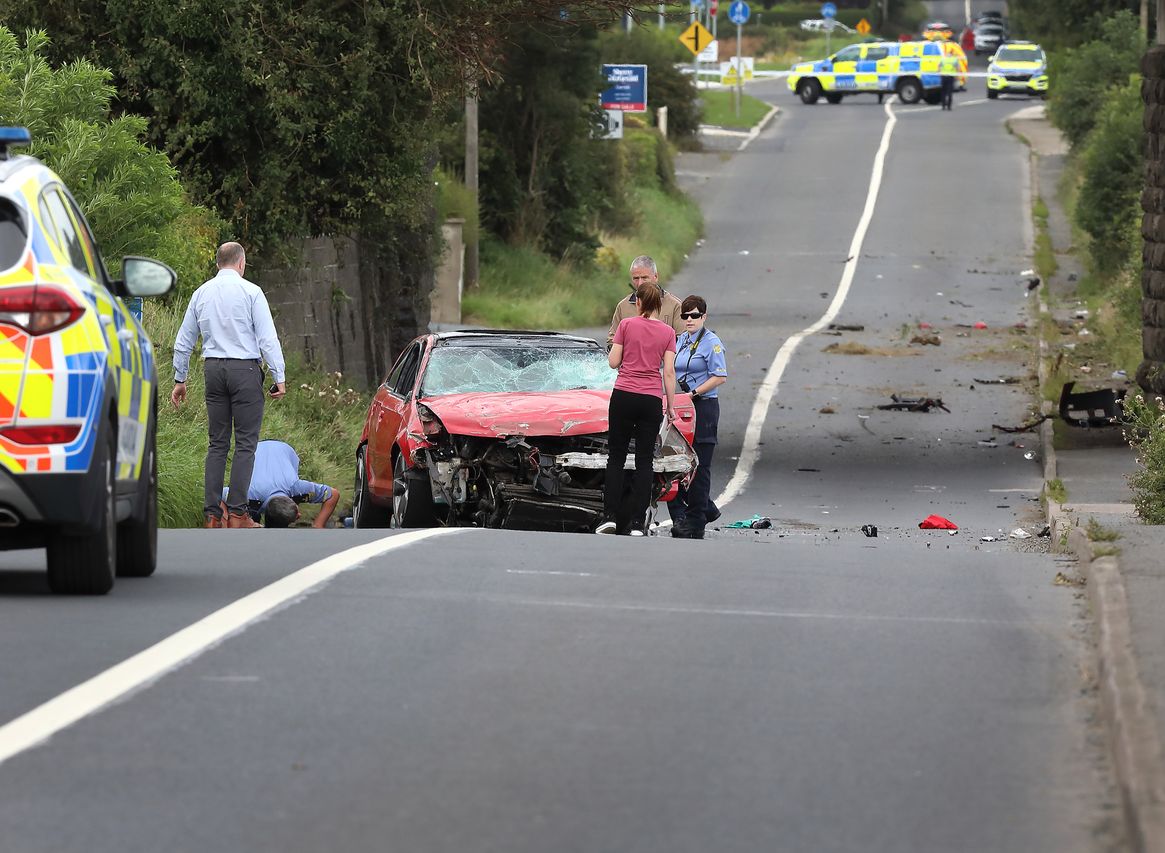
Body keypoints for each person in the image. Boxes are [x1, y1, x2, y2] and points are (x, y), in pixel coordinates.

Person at [172, 242, 287, 530]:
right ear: (241, 263)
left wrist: (180, 379)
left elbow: (183, 341)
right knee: (245, 443)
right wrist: (278, 375)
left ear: (217, 264)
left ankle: (212, 514)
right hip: (245, 370)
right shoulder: (251, 292)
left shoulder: (201, 293)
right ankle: (237, 514)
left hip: (213, 370)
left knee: (217, 443)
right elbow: (267, 339)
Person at [598, 282, 678, 536]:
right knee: (645, 461)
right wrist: (671, 407)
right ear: (659, 305)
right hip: (650, 400)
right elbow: (668, 372)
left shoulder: (626, 325)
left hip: (623, 395)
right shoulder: (668, 333)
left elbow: (613, 362)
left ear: (640, 303)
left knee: (616, 457)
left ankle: (609, 517)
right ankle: (636, 523)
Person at [669, 296, 728, 540]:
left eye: (695, 315)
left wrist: (695, 393)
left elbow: (720, 376)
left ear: (704, 317)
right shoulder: (680, 341)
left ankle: (696, 521)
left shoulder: (711, 342)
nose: (690, 320)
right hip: (681, 407)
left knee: (700, 466)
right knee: (678, 464)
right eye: (685, 316)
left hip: (703, 406)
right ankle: (703, 508)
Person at [217, 440, 341, 528]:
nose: (300, 514)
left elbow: (332, 494)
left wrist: (318, 525)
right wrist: (225, 521)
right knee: (248, 512)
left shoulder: (298, 489)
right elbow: (218, 494)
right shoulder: (248, 495)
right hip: (252, 451)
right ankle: (255, 519)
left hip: (284, 450)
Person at [606, 255, 684, 350]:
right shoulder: (623, 306)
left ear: (656, 276)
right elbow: (612, 340)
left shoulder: (674, 305)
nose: (640, 283)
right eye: (636, 278)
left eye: (644, 278)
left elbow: (682, 341)